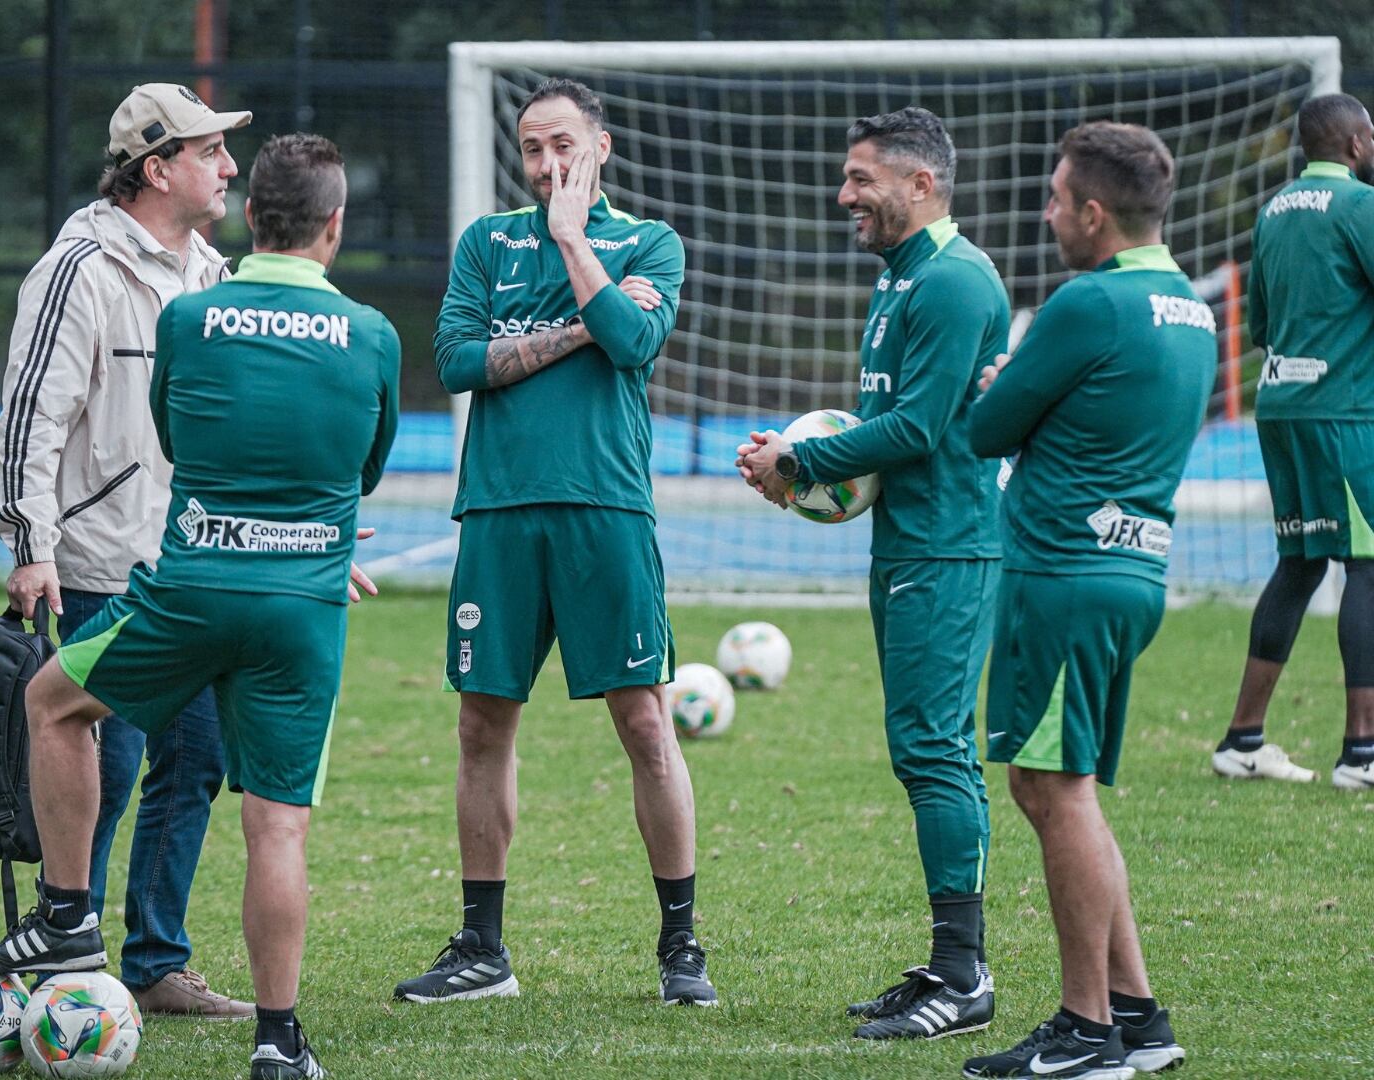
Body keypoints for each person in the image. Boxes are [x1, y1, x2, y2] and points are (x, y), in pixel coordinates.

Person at [0, 133, 399, 1080]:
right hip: (304, 603)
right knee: (276, 826)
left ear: (253, 220)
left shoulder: (192, 317)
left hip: (189, 588)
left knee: (52, 702)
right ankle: (280, 1043)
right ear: (335, 226)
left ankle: (66, 917)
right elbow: (360, 470)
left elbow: (174, 437)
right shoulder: (372, 336)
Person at [392, 77, 714, 1008]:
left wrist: (575, 244)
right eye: (533, 149)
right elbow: (456, 362)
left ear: (600, 147)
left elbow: (634, 341)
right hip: (496, 511)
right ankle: (483, 951)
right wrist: (579, 326)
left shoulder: (648, 242)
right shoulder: (486, 244)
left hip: (605, 509)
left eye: (563, 146)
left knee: (646, 724)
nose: (547, 165)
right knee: (480, 724)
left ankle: (680, 946)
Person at [739, 107, 1008, 1039]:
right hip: (906, 541)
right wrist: (797, 460)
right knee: (922, 750)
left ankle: (964, 978)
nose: (843, 194)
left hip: (949, 545)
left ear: (920, 184)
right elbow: (878, 438)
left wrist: (799, 465)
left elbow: (920, 432)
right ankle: (946, 963)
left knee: (936, 751)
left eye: (862, 179)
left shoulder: (954, 283)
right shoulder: (900, 281)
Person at [0, 83, 255, 1016]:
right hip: (103, 568)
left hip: (194, 569)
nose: (229, 167)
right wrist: (30, 543)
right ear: (157, 168)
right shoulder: (80, 267)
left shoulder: (214, 276)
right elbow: (32, 415)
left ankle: (153, 963)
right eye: (210, 151)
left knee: (198, 762)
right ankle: (72, 961)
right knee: (100, 764)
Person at [960, 120, 1209, 1079]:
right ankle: (1139, 1017)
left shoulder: (1087, 303)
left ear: (1095, 214)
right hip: (1132, 573)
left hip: (1062, 574)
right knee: (1072, 792)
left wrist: (1003, 388)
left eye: (1058, 198)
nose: (1048, 211)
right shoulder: (1189, 305)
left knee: (1048, 790)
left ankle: (1083, 1030)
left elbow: (987, 428)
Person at [1210, 92, 1374, 791]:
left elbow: (1263, 329)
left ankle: (1243, 739)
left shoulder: (1273, 211)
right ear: (1357, 143)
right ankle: (1363, 755)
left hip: (1281, 408)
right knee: (1368, 566)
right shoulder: (1361, 208)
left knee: (1303, 562)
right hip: (1344, 413)